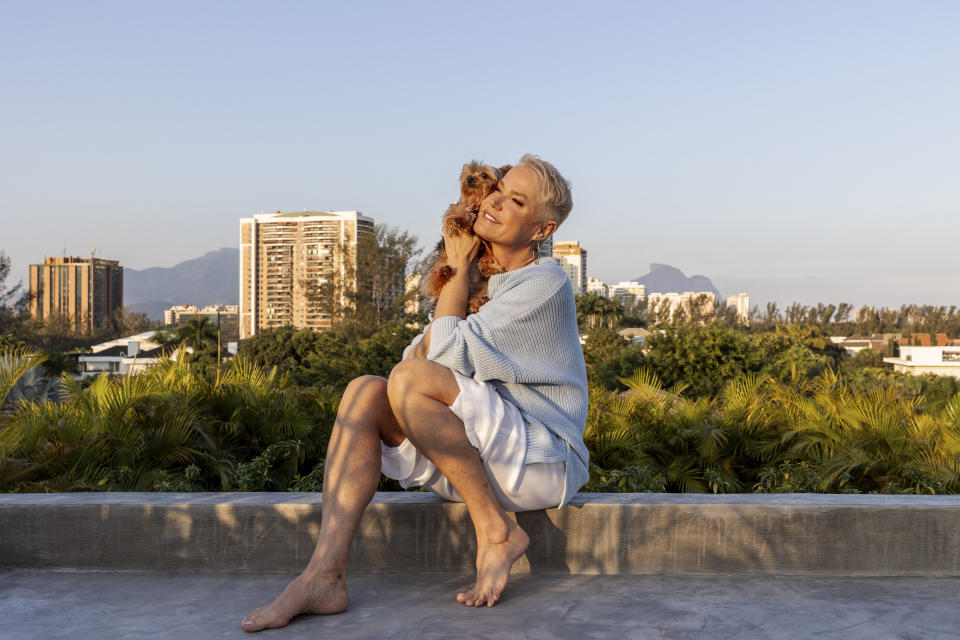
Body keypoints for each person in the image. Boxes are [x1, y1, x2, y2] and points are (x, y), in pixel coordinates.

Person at [242, 155, 589, 632]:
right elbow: (413, 363)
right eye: (500, 189)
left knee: (406, 382)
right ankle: (324, 575)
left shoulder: (543, 283)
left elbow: (436, 362)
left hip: (538, 459)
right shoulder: (482, 280)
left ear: (541, 230)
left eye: (517, 201)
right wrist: (462, 276)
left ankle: (495, 531)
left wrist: (459, 265)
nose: (495, 202)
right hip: (476, 459)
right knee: (364, 391)